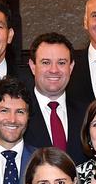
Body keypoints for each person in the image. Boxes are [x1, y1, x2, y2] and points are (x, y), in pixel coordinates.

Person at [24, 32, 87, 164]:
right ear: (32, 66)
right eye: (46, 62)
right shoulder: (19, 113)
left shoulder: (87, 113)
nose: (54, 70)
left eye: (61, 63)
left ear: (71, 67)